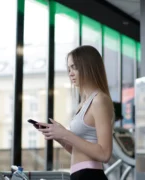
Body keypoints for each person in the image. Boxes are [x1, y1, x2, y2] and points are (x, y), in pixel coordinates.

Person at [37, 45, 114, 180]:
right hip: (79, 174)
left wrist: (66, 133)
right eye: (69, 69)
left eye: (75, 67)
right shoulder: (83, 104)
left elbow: (104, 154)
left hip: (90, 175)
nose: (70, 73)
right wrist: (59, 137)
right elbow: (78, 150)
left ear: (88, 66)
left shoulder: (99, 100)